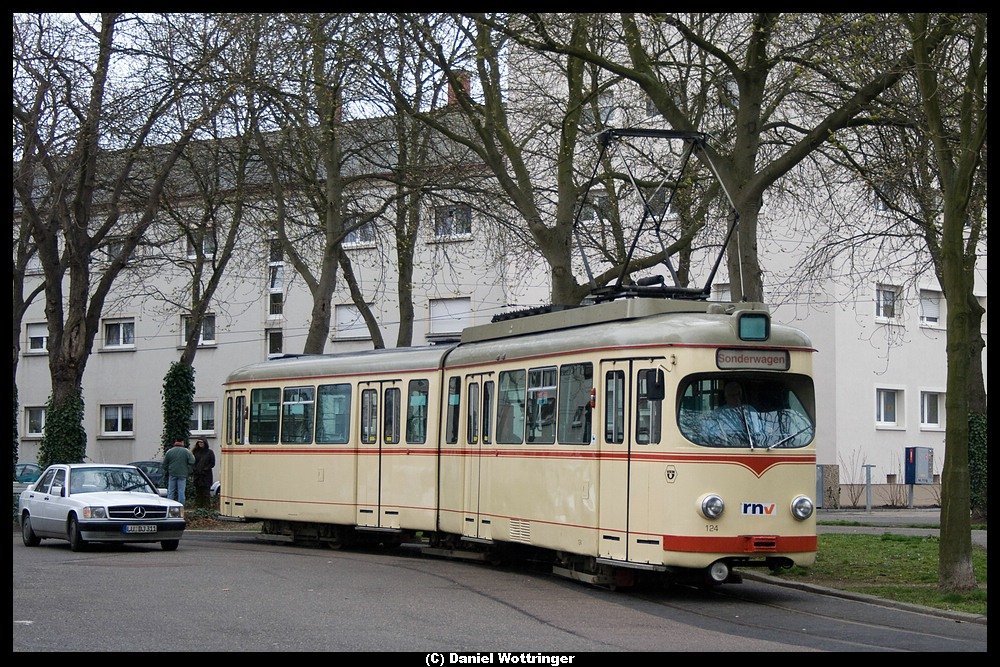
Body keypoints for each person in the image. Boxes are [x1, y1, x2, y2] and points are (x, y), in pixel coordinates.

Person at [163, 438, 195, 505]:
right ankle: (181, 506)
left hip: (172, 473)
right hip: (183, 474)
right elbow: (192, 461)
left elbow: (164, 464)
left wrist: (168, 469)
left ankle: (169, 505)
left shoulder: (169, 451)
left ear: (175, 442)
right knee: (181, 491)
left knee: (171, 491)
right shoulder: (186, 451)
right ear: (182, 442)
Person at [192, 439, 216, 508]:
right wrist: (195, 469)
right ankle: (198, 507)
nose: (200, 443)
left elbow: (212, 463)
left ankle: (206, 507)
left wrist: (205, 469)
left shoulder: (210, 452)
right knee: (198, 492)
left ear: (205, 443)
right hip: (197, 475)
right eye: (199, 442)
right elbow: (193, 462)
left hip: (206, 475)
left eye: (202, 442)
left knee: (206, 492)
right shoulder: (195, 452)